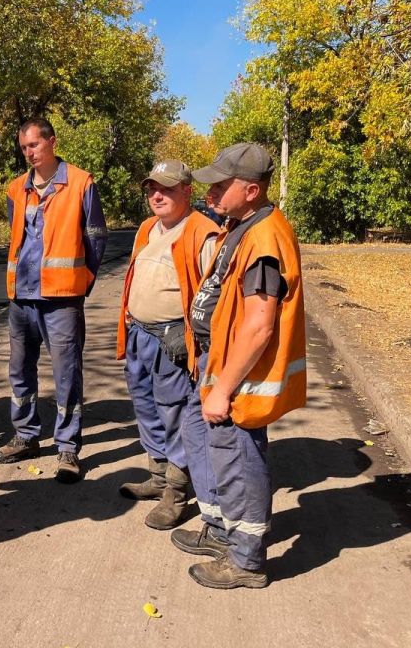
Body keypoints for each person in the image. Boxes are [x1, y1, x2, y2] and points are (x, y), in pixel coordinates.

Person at [170, 142, 306, 589]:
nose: (210, 192)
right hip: (217, 361)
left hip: (239, 373)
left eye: (220, 185)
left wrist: (224, 388)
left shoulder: (264, 238)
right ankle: (220, 532)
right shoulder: (244, 225)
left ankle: (245, 561)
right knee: (211, 447)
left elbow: (259, 326)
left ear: (251, 190)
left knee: (239, 460)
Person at [0, 118, 107, 483]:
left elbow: (95, 239)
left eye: (34, 145)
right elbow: (17, 238)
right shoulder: (16, 189)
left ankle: (68, 447)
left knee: (66, 374)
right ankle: (26, 435)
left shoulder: (79, 183)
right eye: (24, 147)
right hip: (21, 297)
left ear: (52, 142)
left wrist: (80, 282)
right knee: (20, 370)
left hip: (61, 298)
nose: (29, 152)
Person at [116, 159, 219, 529]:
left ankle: (177, 491)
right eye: (151, 189)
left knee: (175, 413)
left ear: (187, 191)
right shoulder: (147, 228)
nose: (157, 195)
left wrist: (199, 342)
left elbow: (214, 296)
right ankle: (158, 476)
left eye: (167, 189)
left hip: (173, 340)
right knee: (146, 408)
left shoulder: (203, 232)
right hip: (139, 335)